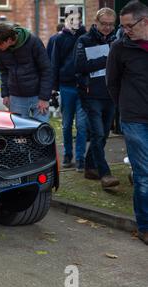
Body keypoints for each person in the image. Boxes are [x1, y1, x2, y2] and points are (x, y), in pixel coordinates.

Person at [106, 0, 148, 245]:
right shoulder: (119, 48)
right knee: (144, 174)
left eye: (129, 26)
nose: (125, 31)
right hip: (134, 119)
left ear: (145, 21)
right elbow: (112, 83)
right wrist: (126, 106)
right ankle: (144, 226)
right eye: (123, 26)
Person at [74, 8, 119, 189]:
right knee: (98, 133)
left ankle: (89, 166)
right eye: (104, 24)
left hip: (111, 94)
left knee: (104, 134)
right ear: (96, 22)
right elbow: (80, 65)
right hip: (91, 94)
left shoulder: (117, 40)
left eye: (110, 24)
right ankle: (105, 174)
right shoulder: (84, 40)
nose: (107, 28)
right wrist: (107, 58)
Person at [0, 23, 52, 122]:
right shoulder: (0, 50)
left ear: (9, 40)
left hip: (37, 95)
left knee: (41, 131)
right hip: (16, 96)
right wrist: (5, 94)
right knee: (19, 132)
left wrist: (44, 98)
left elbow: (46, 70)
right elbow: (4, 72)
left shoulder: (33, 42)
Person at [51, 5, 88, 171]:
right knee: (66, 124)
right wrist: (53, 88)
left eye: (77, 18)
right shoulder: (58, 39)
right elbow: (54, 64)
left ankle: (80, 158)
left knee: (81, 125)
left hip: (83, 86)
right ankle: (67, 154)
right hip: (66, 87)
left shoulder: (86, 37)